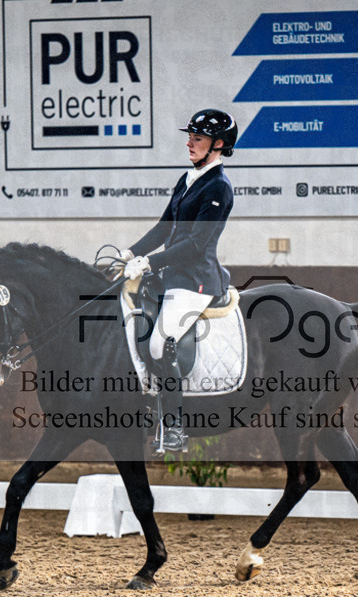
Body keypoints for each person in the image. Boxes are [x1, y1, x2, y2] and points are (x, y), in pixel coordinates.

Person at [120, 108, 237, 451]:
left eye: (197, 139)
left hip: (196, 280)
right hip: (171, 274)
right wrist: (129, 254)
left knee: (160, 342)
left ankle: (173, 427)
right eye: (190, 137)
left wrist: (149, 262)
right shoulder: (188, 179)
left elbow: (195, 244)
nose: (189, 142)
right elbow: (164, 227)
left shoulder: (219, 187)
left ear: (217, 145)